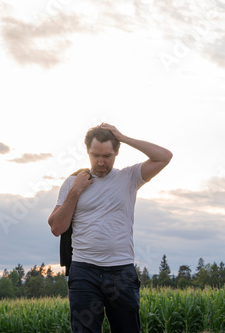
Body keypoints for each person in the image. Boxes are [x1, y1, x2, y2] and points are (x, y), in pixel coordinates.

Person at [47, 123, 172, 333]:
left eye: (108, 156)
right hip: (84, 270)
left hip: (121, 271)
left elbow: (164, 156)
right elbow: (56, 227)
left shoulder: (130, 177)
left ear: (117, 152)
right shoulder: (72, 183)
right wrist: (76, 191)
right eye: (95, 155)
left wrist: (124, 137)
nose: (101, 162)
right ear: (87, 152)